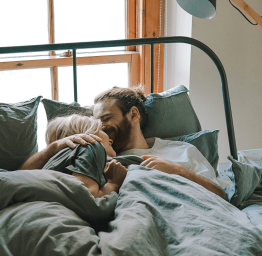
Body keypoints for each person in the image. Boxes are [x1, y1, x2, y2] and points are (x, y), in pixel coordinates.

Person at [92, 85, 227, 200]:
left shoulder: (182, 150)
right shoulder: (98, 156)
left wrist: (179, 171)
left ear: (133, 114)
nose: (100, 127)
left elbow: (222, 197)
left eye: (106, 118)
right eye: (96, 122)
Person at [19, 114, 127, 199]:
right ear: (85, 134)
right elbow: (89, 200)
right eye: (101, 130)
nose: (111, 140)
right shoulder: (89, 147)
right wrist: (114, 184)